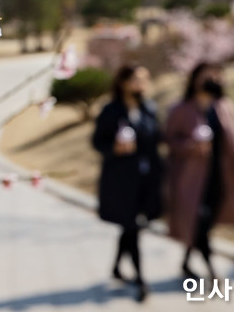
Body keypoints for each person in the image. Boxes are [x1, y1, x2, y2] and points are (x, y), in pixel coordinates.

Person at [165, 62, 234, 281]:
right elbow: (170, 140)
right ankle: (212, 271)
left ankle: (186, 262)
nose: (212, 80)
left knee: (204, 222)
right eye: (207, 76)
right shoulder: (181, 109)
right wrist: (190, 147)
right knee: (198, 221)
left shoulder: (223, 107)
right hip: (190, 179)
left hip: (219, 178)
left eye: (216, 76)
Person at [91, 64, 163, 302]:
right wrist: (114, 148)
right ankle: (141, 280)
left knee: (129, 226)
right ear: (123, 82)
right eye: (136, 79)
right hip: (120, 181)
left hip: (144, 180)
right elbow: (97, 141)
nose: (141, 84)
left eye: (145, 79)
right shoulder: (111, 110)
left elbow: (155, 141)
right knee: (132, 227)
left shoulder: (148, 108)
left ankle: (116, 268)